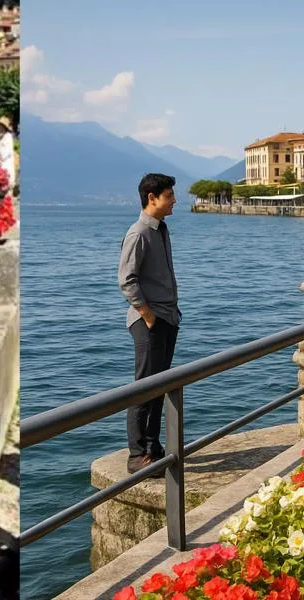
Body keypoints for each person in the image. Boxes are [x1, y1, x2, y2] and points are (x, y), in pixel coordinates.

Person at [118, 173, 180, 475]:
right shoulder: (139, 233)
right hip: (150, 321)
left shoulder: (161, 229)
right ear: (151, 198)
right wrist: (148, 315)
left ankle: (153, 448)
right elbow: (126, 280)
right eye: (169, 195)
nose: (174, 201)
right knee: (144, 387)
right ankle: (136, 453)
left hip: (167, 317)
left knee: (159, 386)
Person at [0, 116, 16, 184]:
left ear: (3, 127)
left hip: (5, 161)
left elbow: (6, 151)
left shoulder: (8, 136)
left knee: (6, 179)